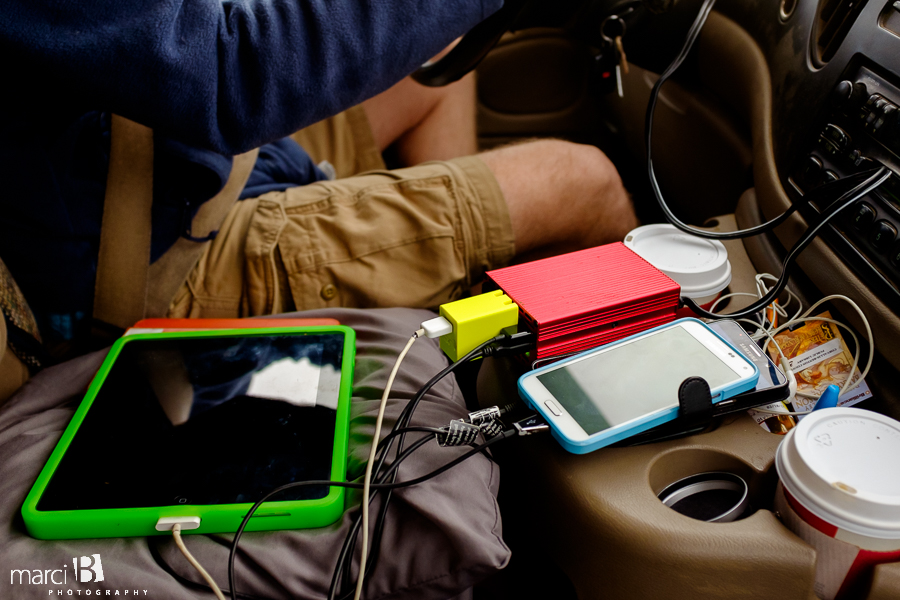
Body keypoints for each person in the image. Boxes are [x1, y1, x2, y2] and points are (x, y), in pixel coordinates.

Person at [0, 0, 636, 357]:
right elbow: (231, 71)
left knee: (437, 55)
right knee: (583, 182)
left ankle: (457, 315)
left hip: (165, 159)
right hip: (135, 267)